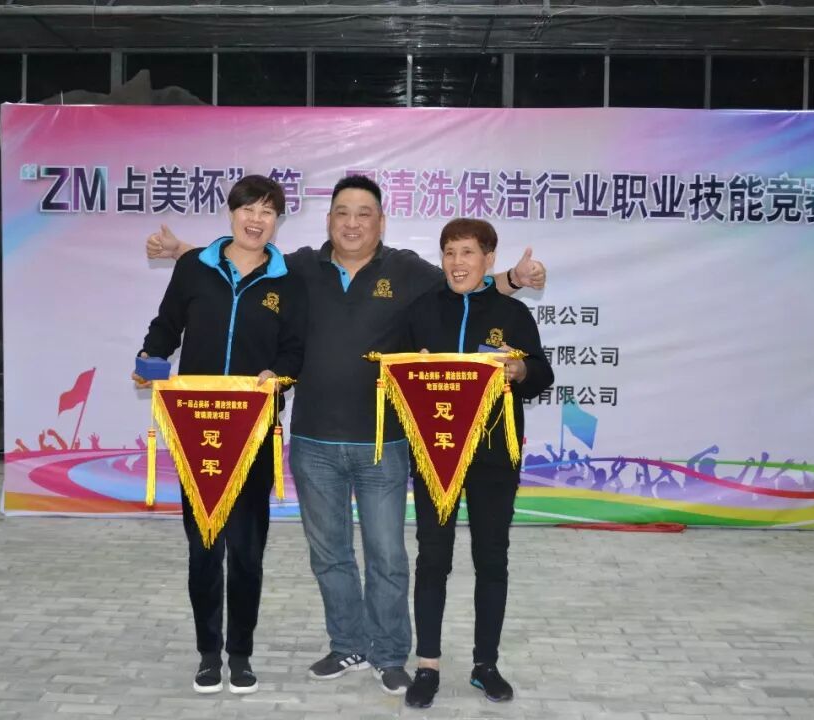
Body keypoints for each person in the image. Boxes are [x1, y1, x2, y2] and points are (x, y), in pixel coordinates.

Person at [146, 175, 546, 694]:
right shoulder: (299, 268)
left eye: (364, 213)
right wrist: (182, 251)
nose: (352, 223)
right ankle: (347, 643)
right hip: (313, 441)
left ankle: (390, 654)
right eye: (342, 212)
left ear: (382, 222)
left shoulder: (408, 270)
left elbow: (463, 285)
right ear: (328, 219)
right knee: (330, 555)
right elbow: (243, 258)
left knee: (388, 558)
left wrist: (512, 278)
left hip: (384, 441)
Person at [135, 174, 307, 695]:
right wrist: (149, 357)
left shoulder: (287, 281)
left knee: (247, 550)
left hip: (254, 431)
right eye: (248, 209)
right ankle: (209, 653)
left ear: (277, 221)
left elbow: (294, 350)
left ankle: (241, 654)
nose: (256, 219)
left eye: (267, 211)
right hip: (198, 429)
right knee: (205, 547)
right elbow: (167, 325)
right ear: (231, 213)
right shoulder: (194, 267)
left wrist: (280, 375)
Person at [401, 218, 553, 708]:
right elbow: (392, 373)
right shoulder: (422, 309)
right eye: (449, 253)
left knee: (491, 558)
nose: (457, 262)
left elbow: (542, 372)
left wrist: (520, 368)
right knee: (433, 558)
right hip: (435, 452)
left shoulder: (512, 313)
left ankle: (486, 664)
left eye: (467, 252)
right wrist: (415, 368)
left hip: (493, 455)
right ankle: (427, 665)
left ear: (489, 259)